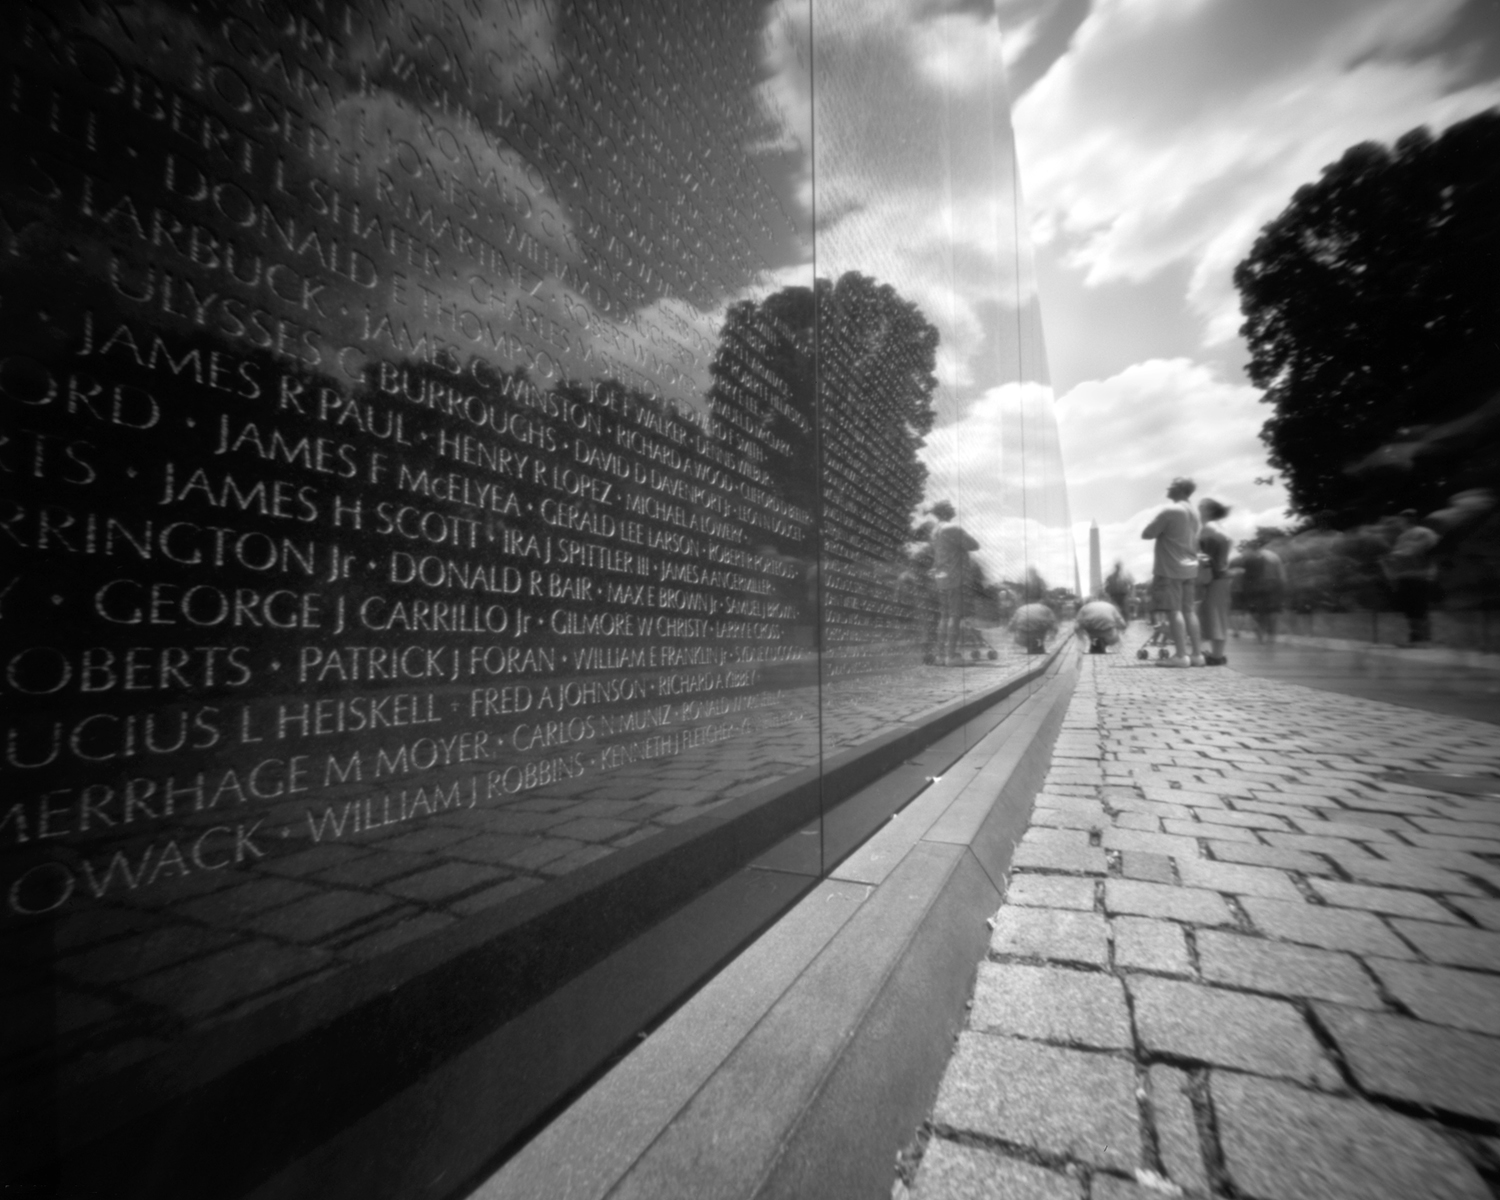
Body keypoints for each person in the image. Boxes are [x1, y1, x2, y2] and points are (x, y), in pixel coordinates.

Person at [1141, 477, 1203, 667]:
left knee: (1174, 611)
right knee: (1189, 611)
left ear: (1181, 489)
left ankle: (1180, 656)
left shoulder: (1171, 511)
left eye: (1173, 486)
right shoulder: (1194, 512)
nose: (1168, 488)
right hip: (1190, 566)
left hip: (1170, 568)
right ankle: (1197, 655)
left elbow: (1147, 533)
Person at [928, 500, 979, 664]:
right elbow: (974, 545)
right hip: (954, 576)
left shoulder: (934, 531)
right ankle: (951, 656)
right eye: (951, 509)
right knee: (954, 616)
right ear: (947, 511)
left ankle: (940, 655)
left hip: (940, 576)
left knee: (944, 616)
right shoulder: (952, 528)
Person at [1381, 510, 1441, 645]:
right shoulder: (1404, 536)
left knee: (1418, 607)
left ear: (1405, 520)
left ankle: (1423, 637)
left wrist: (1393, 556)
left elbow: (1414, 551)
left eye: (1400, 520)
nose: (1398, 523)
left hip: (1420, 575)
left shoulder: (1423, 533)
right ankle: (1417, 636)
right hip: (1407, 576)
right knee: (1412, 609)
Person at [1196, 498, 1232, 665]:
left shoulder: (1208, 528)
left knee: (1212, 616)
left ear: (1209, 510)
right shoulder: (1220, 528)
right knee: (1218, 616)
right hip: (1222, 577)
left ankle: (1216, 656)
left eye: (1201, 507)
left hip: (1212, 578)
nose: (1198, 509)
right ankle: (1217, 654)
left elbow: (1203, 556)